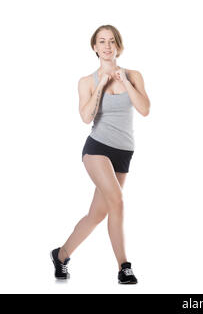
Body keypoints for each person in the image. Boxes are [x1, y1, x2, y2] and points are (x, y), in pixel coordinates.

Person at [51, 25, 150, 284]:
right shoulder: (87, 81)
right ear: (94, 47)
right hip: (97, 148)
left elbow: (144, 109)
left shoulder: (134, 75)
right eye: (102, 41)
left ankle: (61, 256)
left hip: (124, 152)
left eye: (112, 41)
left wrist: (124, 82)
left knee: (97, 214)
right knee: (117, 201)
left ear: (119, 46)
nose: (107, 46)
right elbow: (86, 117)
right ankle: (124, 267)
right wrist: (102, 84)